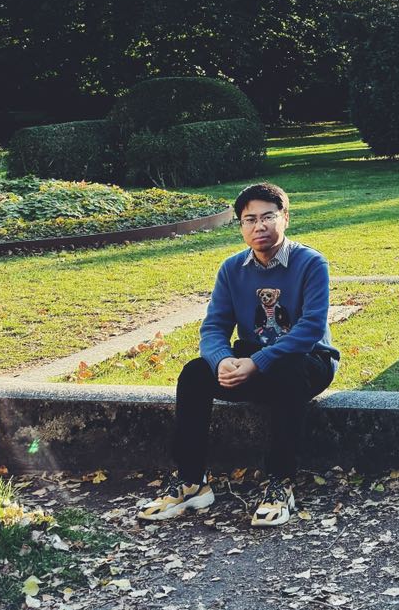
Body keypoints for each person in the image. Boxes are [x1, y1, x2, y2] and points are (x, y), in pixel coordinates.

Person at [136, 182, 339, 527]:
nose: (259, 226)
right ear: (241, 226)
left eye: (267, 217)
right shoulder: (232, 269)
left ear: (285, 218)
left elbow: (309, 330)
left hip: (308, 361)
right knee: (195, 374)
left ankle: (281, 483)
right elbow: (214, 327)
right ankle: (191, 482)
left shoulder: (311, 263)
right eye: (249, 220)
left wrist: (255, 363)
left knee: (288, 370)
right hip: (254, 361)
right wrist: (223, 361)